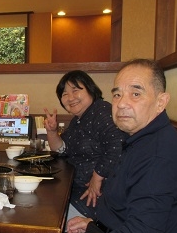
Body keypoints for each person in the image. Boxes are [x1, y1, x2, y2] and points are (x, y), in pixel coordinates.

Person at [14, 59, 177, 233]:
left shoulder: (158, 154)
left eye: (135, 94)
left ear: (161, 101)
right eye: (117, 95)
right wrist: (96, 223)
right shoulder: (139, 138)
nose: (121, 104)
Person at [44, 70, 126, 220]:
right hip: (76, 187)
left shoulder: (102, 110)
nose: (70, 98)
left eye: (75, 90)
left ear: (90, 89)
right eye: (64, 94)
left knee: (49, 217)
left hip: (97, 194)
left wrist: (97, 177)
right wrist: (52, 131)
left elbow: (117, 146)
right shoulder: (78, 119)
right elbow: (62, 149)